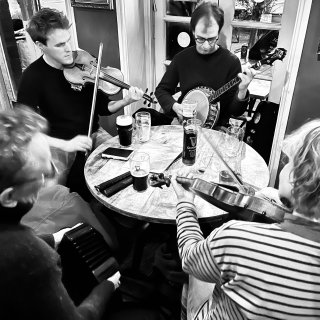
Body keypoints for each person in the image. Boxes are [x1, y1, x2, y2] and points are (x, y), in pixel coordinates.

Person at [0, 106, 164, 320]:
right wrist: (108, 285)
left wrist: (53, 238)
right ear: (9, 198)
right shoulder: (33, 259)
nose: (54, 172)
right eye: (42, 174)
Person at [171, 119, 320, 319]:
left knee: (194, 272)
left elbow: (190, 258)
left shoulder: (238, 237)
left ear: (300, 176)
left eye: (289, 162)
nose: (285, 168)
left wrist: (185, 203)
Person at [17, 8, 144, 190]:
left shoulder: (83, 63)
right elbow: (23, 132)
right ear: (40, 45)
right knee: (57, 193)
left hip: (93, 134)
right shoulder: (32, 77)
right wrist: (67, 144)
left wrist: (127, 100)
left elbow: (102, 107)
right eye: (60, 45)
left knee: (126, 165)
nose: (69, 50)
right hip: (59, 144)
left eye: (68, 41)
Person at [155, 1, 254, 128]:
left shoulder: (231, 62)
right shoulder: (182, 58)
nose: (206, 46)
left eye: (212, 39)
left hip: (217, 130)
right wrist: (175, 106)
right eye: (200, 38)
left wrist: (243, 90)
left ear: (218, 33)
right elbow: (162, 90)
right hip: (185, 125)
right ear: (192, 32)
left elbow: (235, 112)